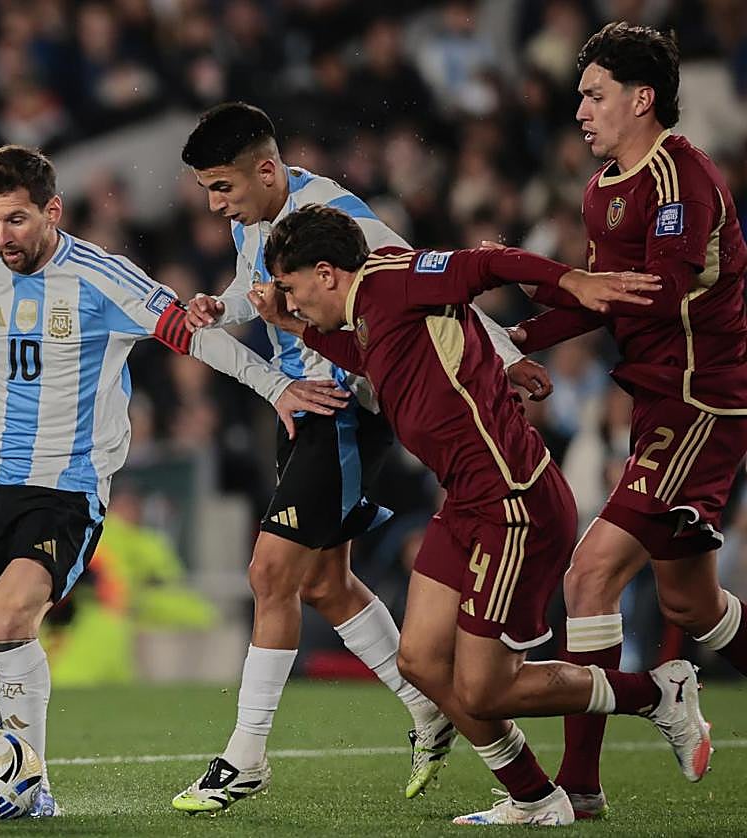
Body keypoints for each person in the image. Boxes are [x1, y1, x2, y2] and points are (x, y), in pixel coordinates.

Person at [0, 144, 345, 818]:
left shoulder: (103, 277)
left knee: (8, 619)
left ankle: (33, 786)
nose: (4, 237)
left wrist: (276, 386)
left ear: (52, 211)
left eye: (18, 220)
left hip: (66, 492)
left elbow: (191, 336)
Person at [250, 202, 711, 827]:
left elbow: (489, 262)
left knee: (484, 687)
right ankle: (534, 797)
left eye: (291, 287)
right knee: (419, 663)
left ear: (327, 272)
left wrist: (572, 281)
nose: (290, 300)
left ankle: (659, 692)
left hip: (513, 502)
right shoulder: (364, 313)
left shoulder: (396, 279)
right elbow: (369, 352)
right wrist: (294, 326)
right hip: (467, 502)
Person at [173, 102, 553, 811]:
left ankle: (246, 755)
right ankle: (428, 708)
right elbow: (258, 290)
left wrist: (502, 355)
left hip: (343, 404)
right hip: (307, 404)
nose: (217, 205)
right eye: (208, 193)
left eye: (222, 188)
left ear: (266, 169)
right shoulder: (256, 218)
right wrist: (221, 309)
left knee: (269, 573)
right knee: (323, 585)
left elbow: (429, 283)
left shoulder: (340, 216)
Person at [505, 22, 747, 819]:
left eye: (594, 93)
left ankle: (579, 787)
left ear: (642, 99)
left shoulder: (683, 181)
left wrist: (545, 282)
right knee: (692, 609)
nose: (580, 108)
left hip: (701, 404)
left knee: (588, 574)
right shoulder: (604, 185)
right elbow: (605, 293)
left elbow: (653, 290)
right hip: (657, 405)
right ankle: (662, 691)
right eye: (580, 94)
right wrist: (514, 338)